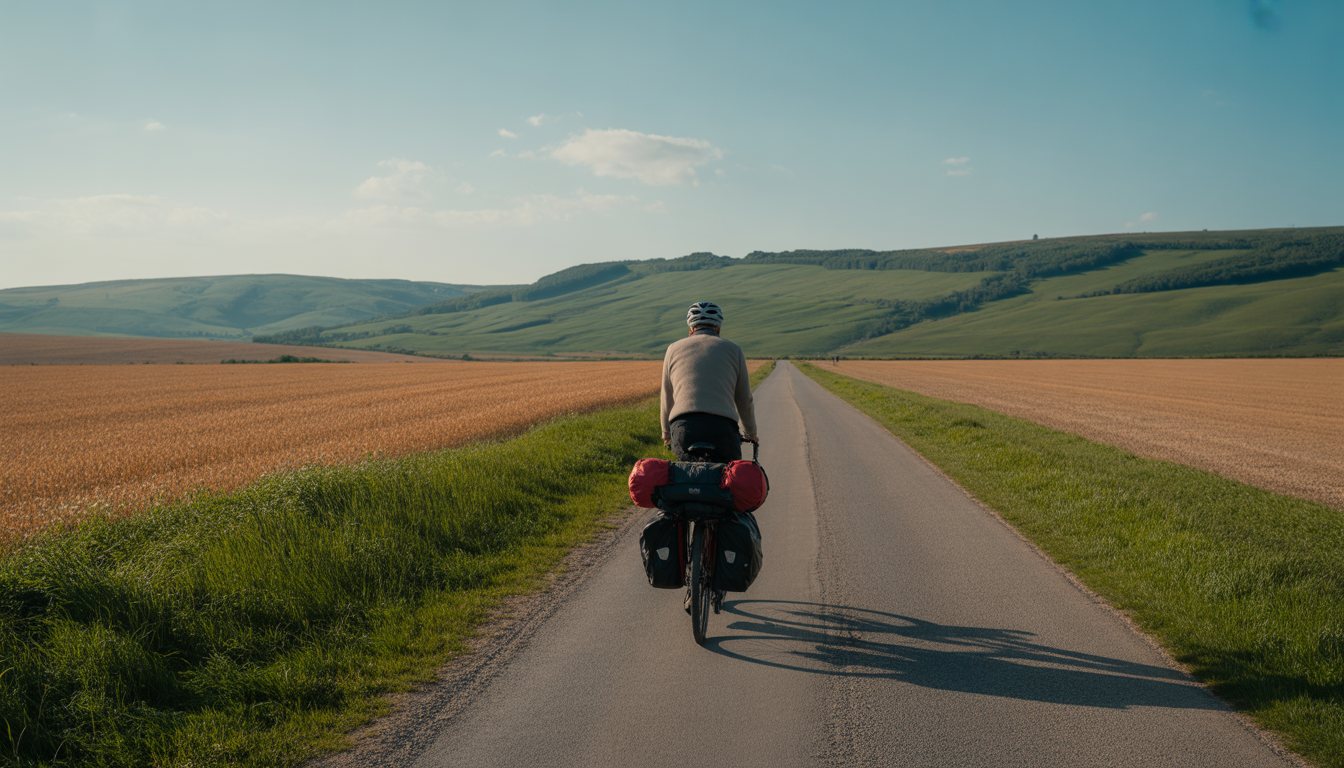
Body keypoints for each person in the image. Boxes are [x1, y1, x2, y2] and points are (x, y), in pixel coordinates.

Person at [661, 301, 757, 463]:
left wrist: (666, 433)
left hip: (684, 427)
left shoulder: (673, 349)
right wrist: (750, 433)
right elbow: (743, 398)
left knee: (685, 474)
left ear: (691, 329)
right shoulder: (734, 349)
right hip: (722, 428)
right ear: (718, 328)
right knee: (729, 478)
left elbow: (666, 395)